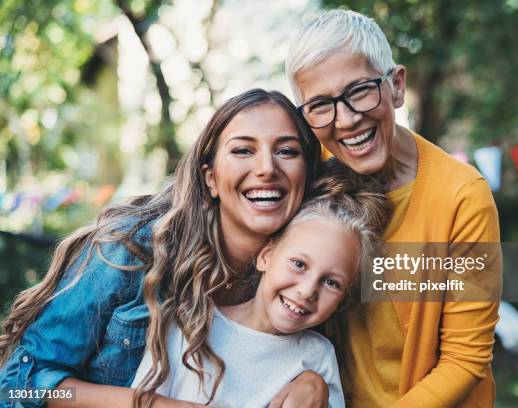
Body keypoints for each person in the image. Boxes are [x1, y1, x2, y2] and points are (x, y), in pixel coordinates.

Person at [0, 89, 325, 408]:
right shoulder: (131, 250)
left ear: (307, 174)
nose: (267, 167)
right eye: (242, 150)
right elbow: (18, 387)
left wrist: (313, 381)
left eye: (287, 151)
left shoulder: (311, 276)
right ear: (210, 178)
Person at [286, 9, 501, 408]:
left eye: (359, 91)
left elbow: (465, 359)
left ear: (396, 86)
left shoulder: (462, 196)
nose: (347, 120)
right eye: (320, 104)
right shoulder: (306, 182)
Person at [132, 165, 393, 408]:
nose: (307, 290)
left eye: (331, 282)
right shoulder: (190, 322)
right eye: (299, 264)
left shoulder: (318, 357)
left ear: (342, 298)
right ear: (266, 255)